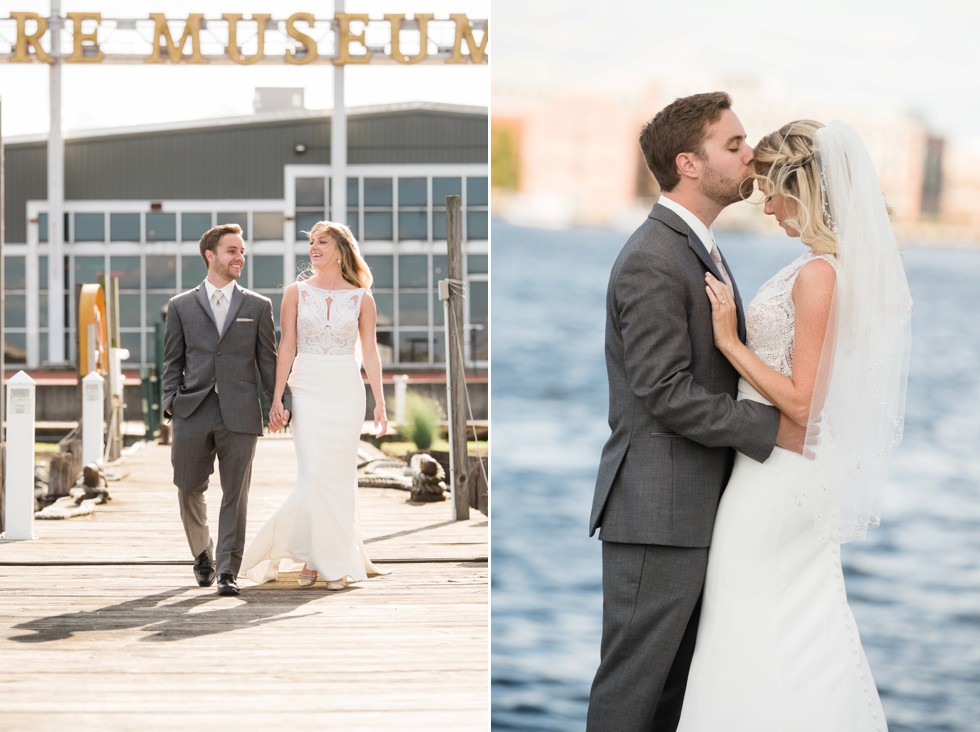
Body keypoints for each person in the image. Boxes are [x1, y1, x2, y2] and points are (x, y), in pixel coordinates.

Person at [676, 120, 911, 731]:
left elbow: (805, 403)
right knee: (781, 616)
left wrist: (728, 341)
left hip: (779, 473)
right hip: (784, 469)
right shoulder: (825, 269)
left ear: (801, 188)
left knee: (748, 612)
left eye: (772, 190)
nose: (765, 203)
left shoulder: (819, 275)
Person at [587, 92, 805, 732]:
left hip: (692, 507)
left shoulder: (695, 245)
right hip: (658, 512)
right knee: (634, 692)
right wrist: (778, 429)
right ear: (688, 162)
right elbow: (663, 389)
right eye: (733, 145)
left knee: (672, 697)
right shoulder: (655, 256)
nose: (751, 154)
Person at [240, 221, 390, 590]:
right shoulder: (295, 292)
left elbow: (370, 354)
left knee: (336, 478)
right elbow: (286, 346)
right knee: (313, 474)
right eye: (310, 242)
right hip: (305, 387)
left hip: (346, 390)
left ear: (340, 248)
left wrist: (380, 404)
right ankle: (320, 558)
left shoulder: (362, 297)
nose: (313, 248)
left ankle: (318, 559)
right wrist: (276, 397)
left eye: (321, 242)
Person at [162, 223, 286, 597]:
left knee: (236, 493)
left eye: (242, 251)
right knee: (187, 487)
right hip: (192, 409)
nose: (240, 258)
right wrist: (170, 402)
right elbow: (172, 360)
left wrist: (278, 403)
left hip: (241, 412)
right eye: (232, 250)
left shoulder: (258, 306)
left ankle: (227, 569)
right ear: (210, 256)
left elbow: (269, 361)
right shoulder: (181, 305)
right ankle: (202, 553)